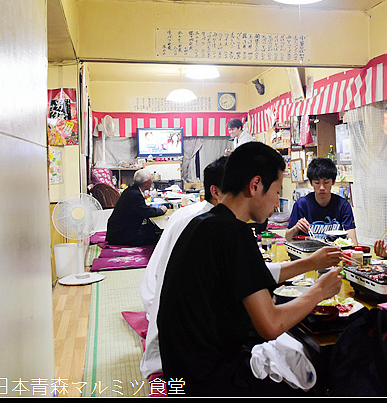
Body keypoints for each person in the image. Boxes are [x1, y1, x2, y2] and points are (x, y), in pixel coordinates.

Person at [157, 142, 343, 396]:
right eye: (277, 191)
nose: (277, 203)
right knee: (319, 378)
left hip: (181, 372)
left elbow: (251, 278)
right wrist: (319, 291)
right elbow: (271, 324)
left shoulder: (205, 223)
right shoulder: (235, 233)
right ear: (255, 186)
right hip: (212, 380)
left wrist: (311, 263)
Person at [285, 158, 357, 243]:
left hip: (333, 252)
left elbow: (352, 241)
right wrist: (296, 228)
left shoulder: (343, 205)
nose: (322, 188)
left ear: (333, 182)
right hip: (308, 252)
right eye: (317, 183)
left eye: (326, 182)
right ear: (311, 183)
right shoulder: (301, 204)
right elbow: (288, 237)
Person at [105, 169, 167, 247]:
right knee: (156, 238)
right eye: (151, 180)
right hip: (119, 234)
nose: (152, 182)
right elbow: (146, 212)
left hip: (119, 230)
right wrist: (161, 210)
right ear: (145, 183)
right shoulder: (135, 194)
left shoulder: (131, 190)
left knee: (151, 228)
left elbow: (142, 208)